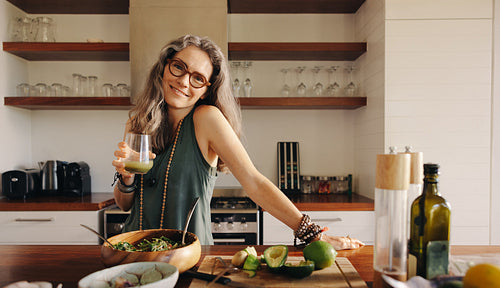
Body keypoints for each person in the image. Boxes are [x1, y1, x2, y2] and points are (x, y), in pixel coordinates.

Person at [112, 34, 364, 250]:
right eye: (179, 67)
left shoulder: (206, 119)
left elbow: (254, 182)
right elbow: (124, 205)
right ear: (165, 67)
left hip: (187, 257)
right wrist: (126, 177)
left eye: (198, 78)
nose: (184, 81)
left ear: (206, 90)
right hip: (133, 252)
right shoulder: (137, 122)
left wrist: (311, 233)